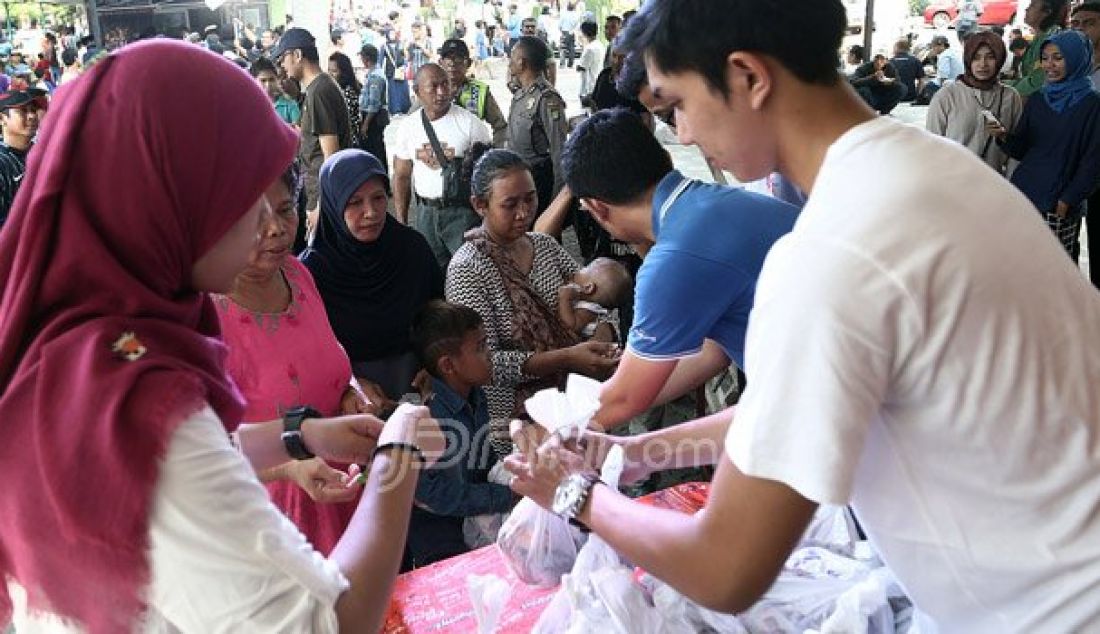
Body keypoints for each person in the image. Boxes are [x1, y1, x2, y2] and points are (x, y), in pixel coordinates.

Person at [505, 2, 1100, 632]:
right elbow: (784, 414)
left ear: (747, 77)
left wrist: (576, 495)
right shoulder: (935, 168)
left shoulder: (829, 252)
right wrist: (634, 452)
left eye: (676, 104)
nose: (681, 134)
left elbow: (724, 568)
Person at [0, 39, 442, 634]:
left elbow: (181, 459)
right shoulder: (137, 397)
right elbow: (328, 622)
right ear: (171, 202)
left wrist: (298, 434)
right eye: (244, 199)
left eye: (279, 206)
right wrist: (397, 454)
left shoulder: (99, 340)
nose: (269, 226)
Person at [561, 108, 798, 429]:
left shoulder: (674, 257)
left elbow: (624, 399)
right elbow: (713, 350)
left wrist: (557, 425)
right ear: (666, 160)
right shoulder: (719, 203)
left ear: (596, 208)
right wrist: (627, 389)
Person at [214, 159, 374, 556]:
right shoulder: (204, 318)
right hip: (273, 523)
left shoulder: (298, 275)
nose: (277, 229)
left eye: (286, 210)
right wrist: (288, 467)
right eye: (256, 217)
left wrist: (349, 392)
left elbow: (330, 357)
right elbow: (199, 453)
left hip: (342, 488)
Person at [446, 146, 620, 456]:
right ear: (479, 205)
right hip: (518, 425)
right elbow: (485, 363)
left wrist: (604, 334)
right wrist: (567, 357)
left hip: (576, 404)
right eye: (510, 204)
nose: (525, 212)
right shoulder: (468, 270)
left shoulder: (545, 246)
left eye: (530, 199)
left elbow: (596, 296)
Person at [302, 149, 443, 404]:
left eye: (378, 198)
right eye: (355, 202)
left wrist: (434, 366)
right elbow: (308, 350)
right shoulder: (312, 272)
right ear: (334, 204)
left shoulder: (411, 249)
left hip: (420, 393)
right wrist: (349, 383)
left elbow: (438, 312)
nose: (371, 212)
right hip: (350, 403)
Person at [404, 300, 516, 568]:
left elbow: (484, 462)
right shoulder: (431, 418)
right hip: (441, 533)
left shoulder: (475, 394)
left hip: (477, 511)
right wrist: (506, 495)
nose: (490, 354)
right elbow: (435, 496)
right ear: (448, 366)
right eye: (480, 347)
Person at [993, 29, 1100, 257]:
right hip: (1025, 193)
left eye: (1058, 58)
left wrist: (1067, 200)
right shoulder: (1040, 98)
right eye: (1045, 58)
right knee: (1021, 262)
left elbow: (1094, 161)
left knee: (1056, 269)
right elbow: (1022, 147)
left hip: (1059, 203)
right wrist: (1002, 136)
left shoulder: (1092, 105)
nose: (1049, 65)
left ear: (1077, 58)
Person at [393, 64, 493, 269]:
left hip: (463, 215)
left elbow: (490, 176)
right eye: (434, 86)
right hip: (426, 214)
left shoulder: (471, 124)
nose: (441, 92)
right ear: (418, 91)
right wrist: (401, 222)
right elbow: (401, 176)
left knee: (471, 271)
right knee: (431, 273)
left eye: (445, 85)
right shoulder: (408, 127)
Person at [275, 27, 353, 229]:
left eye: (284, 58)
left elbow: (331, 157)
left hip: (323, 196)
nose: (283, 65)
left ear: (298, 55)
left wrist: (321, 205)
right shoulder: (317, 88)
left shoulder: (319, 91)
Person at [927, 32, 1022, 174]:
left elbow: (1017, 152)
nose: (983, 64)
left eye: (990, 57)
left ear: (1000, 59)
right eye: (976, 57)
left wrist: (1009, 187)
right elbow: (932, 147)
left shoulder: (1010, 97)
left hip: (994, 185)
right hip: (954, 183)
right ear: (968, 59)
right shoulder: (947, 96)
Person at [506, 36, 568, 216]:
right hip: (520, 180)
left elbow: (559, 151)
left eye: (512, 56)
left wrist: (557, 200)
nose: (509, 62)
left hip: (539, 183)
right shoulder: (521, 93)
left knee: (541, 238)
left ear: (522, 62)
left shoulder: (547, 98)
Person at [1071, 1, 1100, 289]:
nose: (1080, 29)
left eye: (1088, 23)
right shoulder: (1067, 69)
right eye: (1075, 24)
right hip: (1075, 173)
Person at [440, 38, 508, 147]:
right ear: (441, 63)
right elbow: (412, 121)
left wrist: (494, 151)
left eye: (458, 58)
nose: (452, 64)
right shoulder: (429, 88)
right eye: (448, 58)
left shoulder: (480, 91)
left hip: (471, 157)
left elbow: (500, 126)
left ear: (469, 63)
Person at [556, 257, 632, 341]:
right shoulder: (586, 302)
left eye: (584, 268)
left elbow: (572, 325)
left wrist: (564, 300)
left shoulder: (589, 309)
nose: (576, 271)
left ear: (588, 288)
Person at [0, 88, 45, 228]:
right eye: (23, 111)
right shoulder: (3, 162)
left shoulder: (43, 152)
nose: (31, 116)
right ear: (2, 119)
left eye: (33, 110)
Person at [1011, 0, 1070, 98]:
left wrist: (1006, 86)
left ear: (1047, 12)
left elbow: (1037, 82)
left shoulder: (1052, 38)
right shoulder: (1039, 37)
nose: (1027, 9)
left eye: (1032, 6)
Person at [357, 44, 390, 170]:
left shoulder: (376, 76)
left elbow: (374, 103)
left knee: (375, 148)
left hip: (373, 118)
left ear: (367, 58)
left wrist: (366, 124)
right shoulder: (372, 74)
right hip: (370, 116)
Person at [251, 56, 300, 126]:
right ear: (253, 81)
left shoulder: (289, 104)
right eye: (263, 80)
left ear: (277, 79)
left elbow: (299, 131)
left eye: (271, 80)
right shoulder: (251, 107)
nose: (268, 85)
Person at [328, 52, 363, 149]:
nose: (330, 75)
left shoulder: (348, 92)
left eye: (334, 71)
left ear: (344, 72)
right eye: (329, 70)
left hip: (348, 143)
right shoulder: (337, 89)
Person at [380, 27, 411, 114]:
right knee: (393, 92)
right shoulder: (384, 46)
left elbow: (405, 57)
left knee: (403, 90)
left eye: (394, 33)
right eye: (390, 34)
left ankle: (405, 107)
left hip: (401, 70)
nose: (392, 36)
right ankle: (395, 109)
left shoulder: (400, 44)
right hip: (391, 72)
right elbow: (381, 60)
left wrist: (405, 66)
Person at [558, 2, 580, 68]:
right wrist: (573, 30)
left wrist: (561, 30)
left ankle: (562, 63)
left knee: (562, 48)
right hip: (572, 32)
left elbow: (559, 25)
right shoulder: (575, 15)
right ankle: (570, 64)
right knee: (571, 48)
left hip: (564, 32)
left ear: (567, 7)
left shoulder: (564, 15)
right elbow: (577, 25)